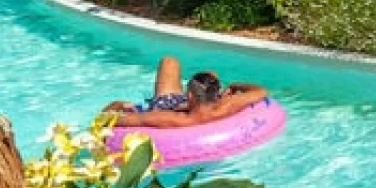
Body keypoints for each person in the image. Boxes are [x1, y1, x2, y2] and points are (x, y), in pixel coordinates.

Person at [103, 56, 267, 129]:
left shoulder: (169, 118)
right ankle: (201, 87)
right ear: (216, 93)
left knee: (169, 61)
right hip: (200, 105)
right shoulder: (227, 106)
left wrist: (119, 105)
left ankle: (191, 87)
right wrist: (235, 85)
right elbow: (261, 91)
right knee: (211, 73)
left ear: (189, 96)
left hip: (167, 105)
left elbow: (107, 119)